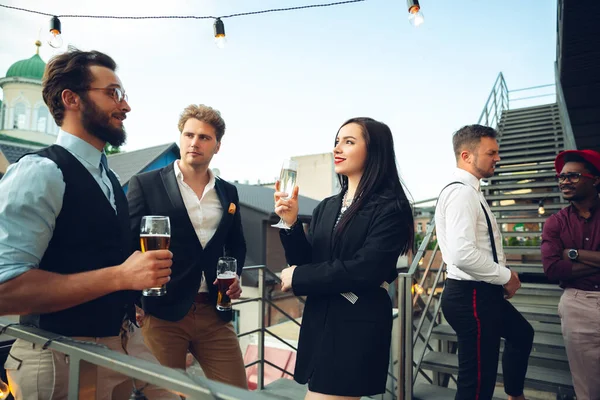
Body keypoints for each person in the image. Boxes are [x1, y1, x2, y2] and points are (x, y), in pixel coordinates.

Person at [0, 49, 176, 399]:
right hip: (59, 358)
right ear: (71, 99)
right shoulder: (41, 172)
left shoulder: (108, 177)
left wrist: (131, 296)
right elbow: (4, 290)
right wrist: (121, 277)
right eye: (113, 93)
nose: (126, 107)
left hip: (123, 342)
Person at [273, 117, 414, 399]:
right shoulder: (327, 206)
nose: (338, 148)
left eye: (349, 142)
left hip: (356, 326)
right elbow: (307, 260)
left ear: (374, 151)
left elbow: (367, 269)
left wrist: (298, 277)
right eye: (337, 141)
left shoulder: (392, 207)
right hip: (319, 323)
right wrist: (289, 225)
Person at [127, 104, 248, 389]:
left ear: (217, 146)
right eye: (189, 135)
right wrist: (131, 302)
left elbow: (237, 244)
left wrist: (235, 276)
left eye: (204, 137)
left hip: (214, 313)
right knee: (160, 395)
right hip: (161, 314)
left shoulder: (228, 192)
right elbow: (128, 244)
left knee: (237, 394)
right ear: (181, 137)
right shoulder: (145, 184)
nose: (195, 143)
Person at [435, 124, 534, 400]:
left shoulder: (473, 191)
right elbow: (461, 254)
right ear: (466, 156)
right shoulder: (462, 193)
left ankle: (515, 394)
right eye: (491, 153)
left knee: (522, 334)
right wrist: (505, 276)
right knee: (477, 386)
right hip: (471, 297)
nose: (497, 158)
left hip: (481, 293)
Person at [541, 149, 600, 400]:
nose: (565, 181)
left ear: (594, 179)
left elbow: (564, 262)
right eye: (562, 177)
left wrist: (573, 253)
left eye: (573, 176)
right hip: (578, 304)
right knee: (588, 390)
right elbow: (552, 269)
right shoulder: (555, 222)